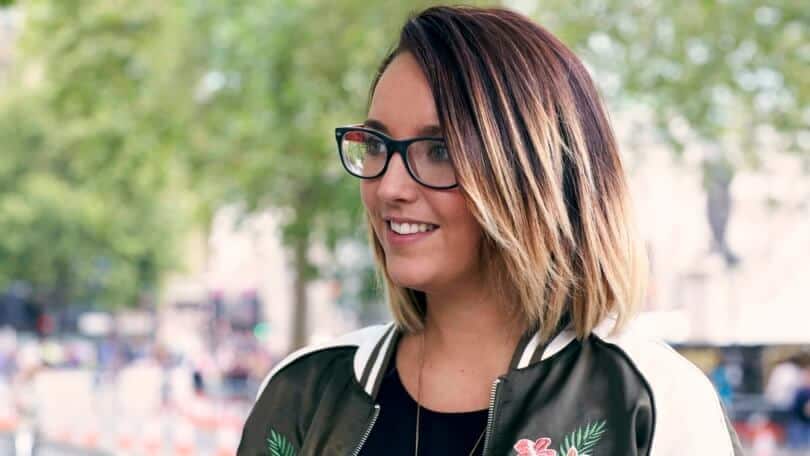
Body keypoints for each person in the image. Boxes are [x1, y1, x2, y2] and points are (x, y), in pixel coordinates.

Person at [238, 6, 743, 455]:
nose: (389, 187)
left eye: (439, 151)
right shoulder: (305, 392)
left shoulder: (649, 399)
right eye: (375, 145)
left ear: (536, 172)